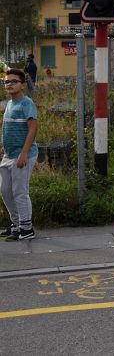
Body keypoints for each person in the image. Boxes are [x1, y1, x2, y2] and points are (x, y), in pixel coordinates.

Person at [1, 68, 38, 241]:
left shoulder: (26, 103)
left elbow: (33, 129)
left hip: (23, 155)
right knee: (5, 190)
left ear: (22, 85)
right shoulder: (9, 103)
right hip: (8, 155)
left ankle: (26, 228)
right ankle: (16, 224)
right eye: (7, 82)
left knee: (20, 192)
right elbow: (7, 128)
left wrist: (23, 153)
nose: (9, 84)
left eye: (13, 81)